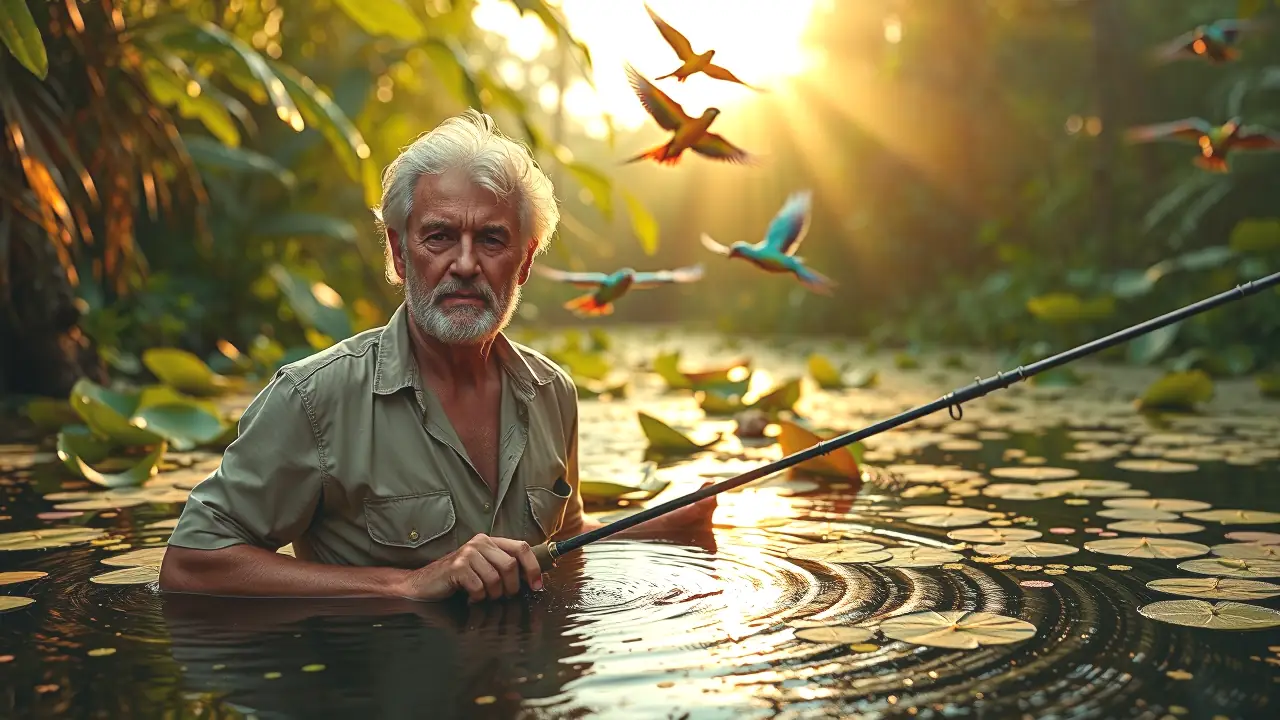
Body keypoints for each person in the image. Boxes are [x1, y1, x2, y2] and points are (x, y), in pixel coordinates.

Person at [159, 110, 716, 603]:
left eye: (492, 241)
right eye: (440, 237)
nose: (466, 263)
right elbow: (189, 564)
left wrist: (656, 525)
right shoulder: (313, 398)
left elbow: (561, 548)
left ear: (522, 265)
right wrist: (405, 585)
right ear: (400, 254)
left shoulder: (553, 393)